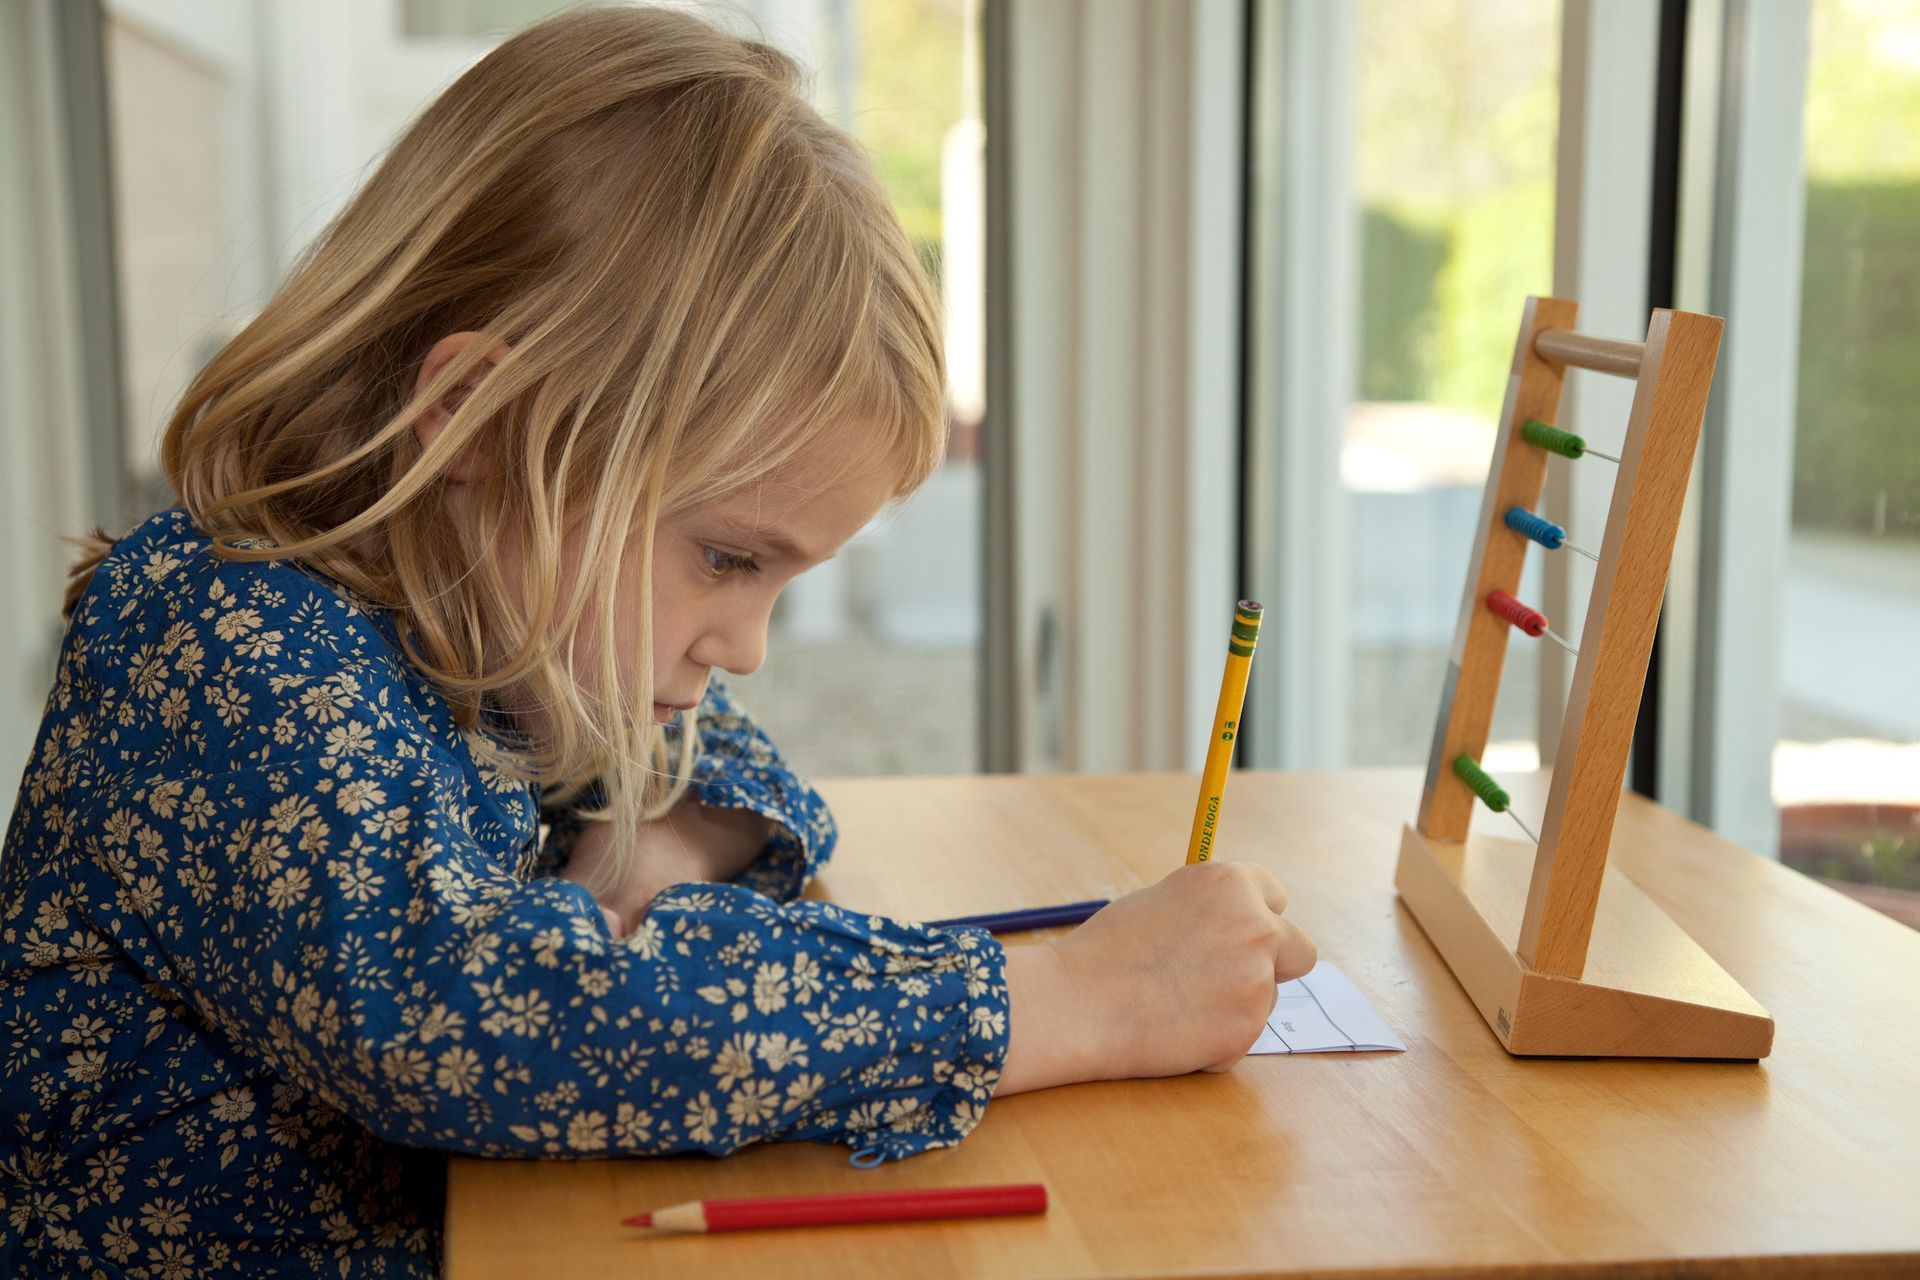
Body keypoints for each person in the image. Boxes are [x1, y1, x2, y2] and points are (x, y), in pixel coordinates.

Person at [0, 7, 1315, 1276]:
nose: (744, 642)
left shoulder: (492, 613)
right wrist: (1064, 1003)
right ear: (473, 422)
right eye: (729, 559)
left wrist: (678, 828)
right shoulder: (221, 637)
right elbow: (468, 1021)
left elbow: (728, 760)